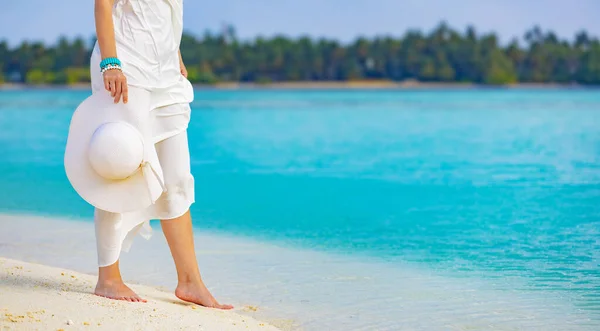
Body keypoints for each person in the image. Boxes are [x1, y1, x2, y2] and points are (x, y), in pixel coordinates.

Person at [88, 0, 232, 309]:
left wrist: (174, 53)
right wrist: (111, 63)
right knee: (119, 167)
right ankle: (108, 278)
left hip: (165, 76)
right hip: (125, 69)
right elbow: (103, 4)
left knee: (176, 178)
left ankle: (190, 281)